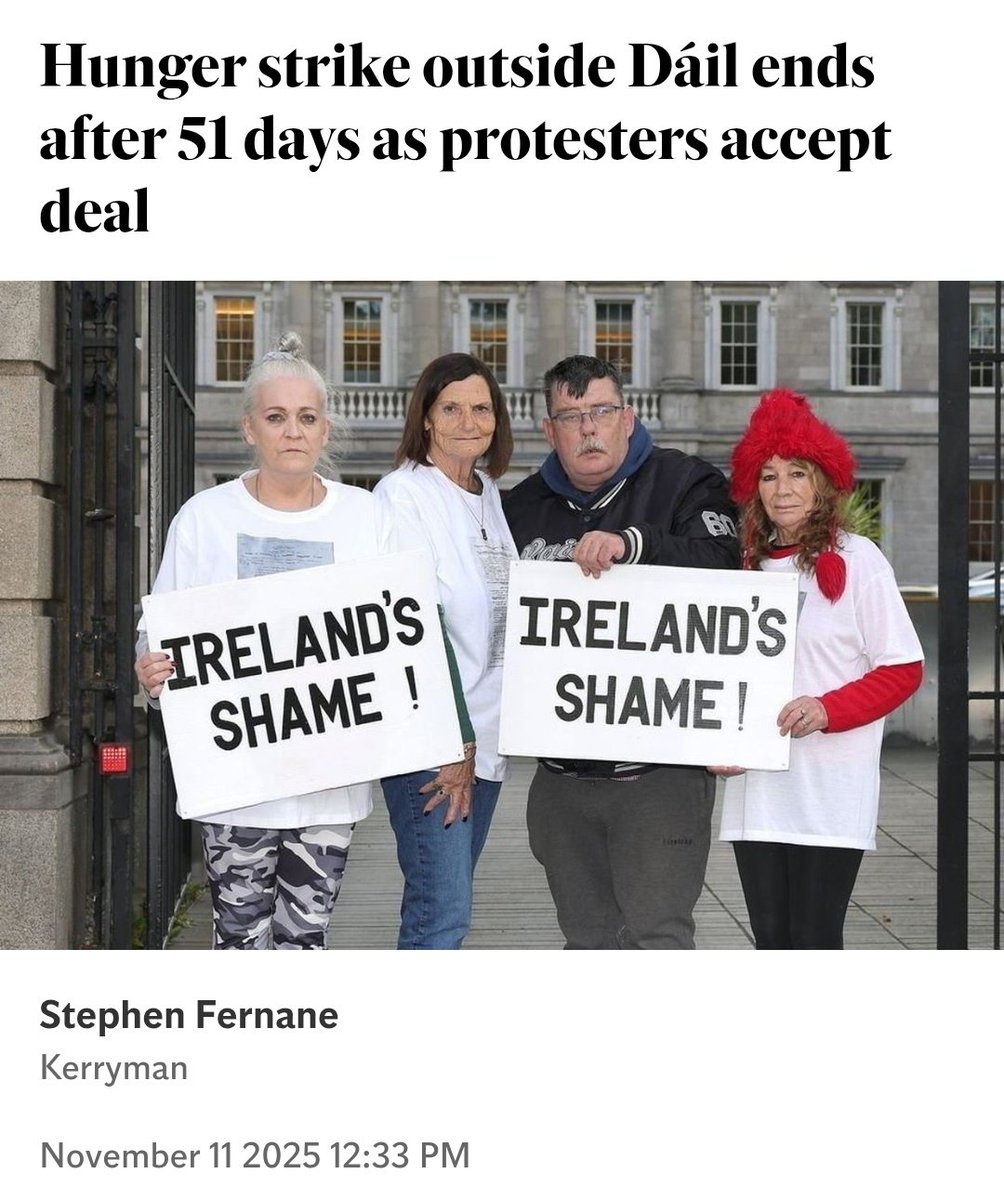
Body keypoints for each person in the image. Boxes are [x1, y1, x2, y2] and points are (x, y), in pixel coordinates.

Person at [134, 331, 385, 950]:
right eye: (277, 418)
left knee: (306, 940)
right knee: (240, 938)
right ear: (250, 428)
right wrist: (152, 667)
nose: (292, 431)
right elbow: (161, 627)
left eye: (306, 418)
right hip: (237, 783)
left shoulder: (367, 517)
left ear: (326, 430)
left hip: (329, 783)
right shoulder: (206, 517)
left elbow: (392, 630)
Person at [502, 354, 740, 949]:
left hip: (658, 778)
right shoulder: (518, 509)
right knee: (586, 942)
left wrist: (636, 544)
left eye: (602, 412)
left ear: (628, 418)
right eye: (571, 415)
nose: (588, 428)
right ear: (548, 429)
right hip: (562, 779)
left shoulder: (687, 482)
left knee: (657, 938)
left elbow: (728, 567)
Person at [714, 387, 924, 949]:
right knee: (772, 941)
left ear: (822, 482)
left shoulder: (859, 560)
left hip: (830, 791)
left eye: (797, 473)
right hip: (756, 790)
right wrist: (713, 737)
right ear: (751, 487)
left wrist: (828, 709)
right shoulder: (743, 568)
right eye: (769, 475)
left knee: (813, 942)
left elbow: (903, 668)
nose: (782, 489)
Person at [373, 352, 517, 949]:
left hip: (487, 737)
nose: (468, 420)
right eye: (451, 408)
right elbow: (413, 624)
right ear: (426, 418)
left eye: (481, 408)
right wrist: (452, 739)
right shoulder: (403, 495)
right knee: (443, 914)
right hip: (435, 741)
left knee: (439, 898)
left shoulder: (488, 493)